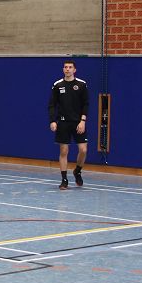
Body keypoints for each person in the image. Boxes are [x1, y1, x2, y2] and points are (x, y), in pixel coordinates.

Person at [49, 59, 90, 190]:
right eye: (65, 67)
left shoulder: (81, 84)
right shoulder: (57, 85)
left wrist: (83, 121)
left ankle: (77, 171)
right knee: (64, 150)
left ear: (74, 70)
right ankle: (64, 179)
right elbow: (52, 105)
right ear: (63, 69)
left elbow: (86, 104)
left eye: (70, 67)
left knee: (83, 150)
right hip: (63, 122)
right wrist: (53, 121)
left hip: (78, 122)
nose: (67, 69)